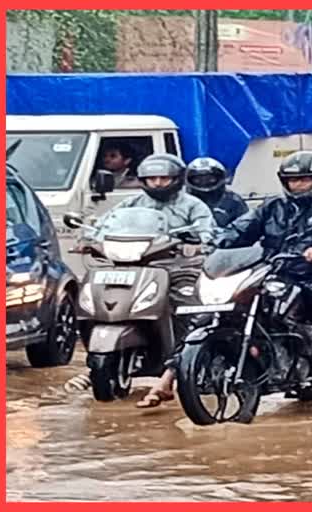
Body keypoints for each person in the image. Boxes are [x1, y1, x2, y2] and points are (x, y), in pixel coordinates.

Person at [213, 150, 312, 379]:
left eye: (305, 179)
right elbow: (241, 229)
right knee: (240, 303)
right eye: (292, 180)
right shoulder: (272, 206)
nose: (298, 185)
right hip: (278, 272)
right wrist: (212, 244)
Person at [112, 154, 216, 408]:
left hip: (179, 270)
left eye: (164, 178)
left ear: (177, 179)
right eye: (152, 178)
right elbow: (107, 225)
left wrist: (197, 241)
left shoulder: (193, 205)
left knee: (190, 311)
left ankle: (182, 363)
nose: (158, 183)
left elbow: (207, 231)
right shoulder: (131, 203)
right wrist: (89, 239)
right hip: (137, 268)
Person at [185, 157, 249, 227]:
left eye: (210, 178)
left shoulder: (234, 201)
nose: (204, 182)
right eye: (198, 179)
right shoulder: (181, 201)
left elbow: (245, 226)